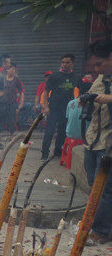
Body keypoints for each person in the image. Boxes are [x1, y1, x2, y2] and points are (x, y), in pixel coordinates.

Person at [82, 39, 112, 244]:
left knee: (105, 188)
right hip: (93, 140)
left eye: (99, 64)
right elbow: (93, 97)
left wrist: (108, 98)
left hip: (108, 142)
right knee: (94, 186)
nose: (96, 69)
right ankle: (95, 224)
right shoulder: (102, 78)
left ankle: (101, 231)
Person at [41, 54, 80, 160]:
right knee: (49, 131)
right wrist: (46, 106)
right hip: (53, 108)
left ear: (73, 64)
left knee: (62, 132)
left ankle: (58, 152)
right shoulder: (54, 76)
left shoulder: (76, 77)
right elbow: (46, 91)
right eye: (63, 62)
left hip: (67, 110)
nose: (65, 64)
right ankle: (44, 153)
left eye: (67, 62)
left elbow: (82, 90)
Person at [4, 63, 25, 139]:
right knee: (1, 118)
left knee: (12, 119)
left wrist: (18, 95)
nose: (14, 70)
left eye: (14, 69)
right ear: (7, 70)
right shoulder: (3, 79)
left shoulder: (16, 80)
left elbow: (21, 90)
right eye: (12, 69)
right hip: (3, 102)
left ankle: (11, 135)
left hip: (12, 103)